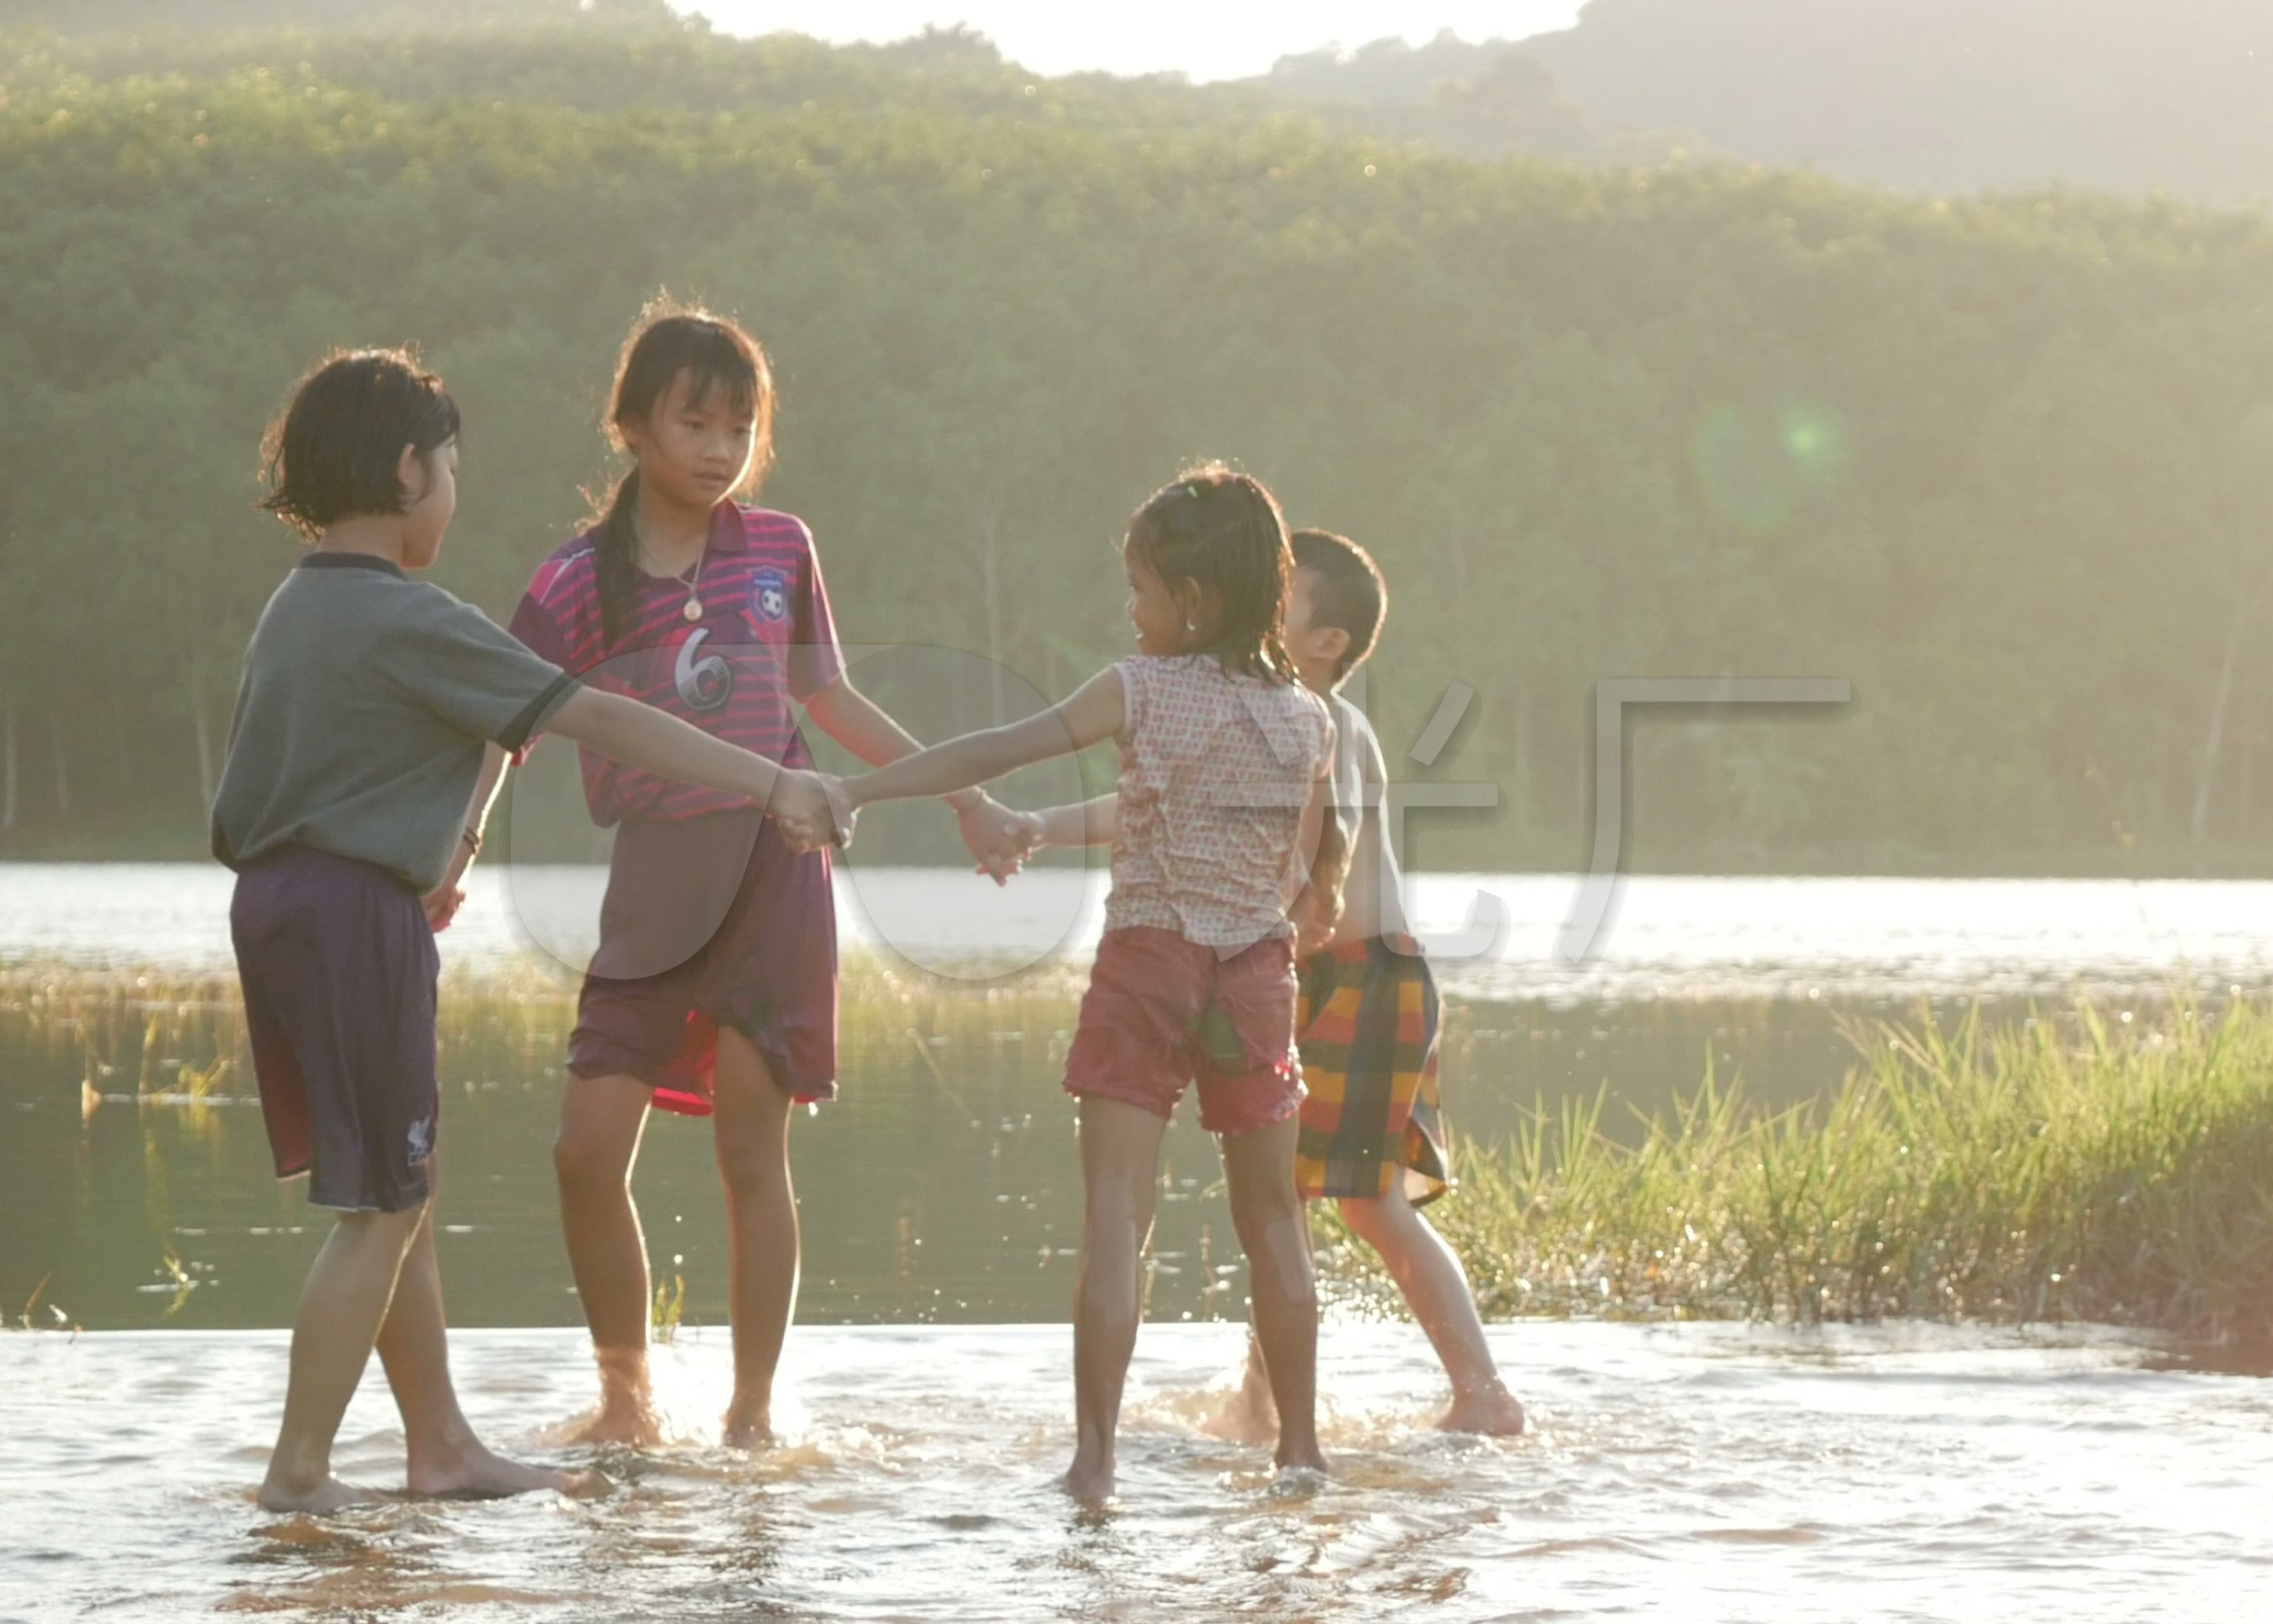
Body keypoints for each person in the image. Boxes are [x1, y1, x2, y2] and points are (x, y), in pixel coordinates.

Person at [214, 347, 843, 1514]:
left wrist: (441, 852)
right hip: (359, 913)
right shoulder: (412, 617)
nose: (454, 489)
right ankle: (297, 1475)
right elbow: (594, 712)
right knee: (382, 1211)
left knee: (400, 1187)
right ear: (408, 471)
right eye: (448, 465)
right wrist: (768, 782)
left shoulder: (295, 606)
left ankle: (439, 1443)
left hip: (278, 905)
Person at [440, 300, 1030, 1448]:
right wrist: (454, 852)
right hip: (657, 883)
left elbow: (832, 701)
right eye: (693, 420)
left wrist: (965, 796)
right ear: (632, 426)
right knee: (582, 1150)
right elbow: (505, 724)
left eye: (738, 424)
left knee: (751, 1144)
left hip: (775, 874)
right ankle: (627, 1401)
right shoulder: (570, 582)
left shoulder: (780, 549)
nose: (717, 447)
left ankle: (754, 1414)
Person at [823, 466, 1343, 1501]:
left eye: (1143, 590)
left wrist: (860, 785)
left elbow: (997, 748)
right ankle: (1302, 1452)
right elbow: (1291, 852)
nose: (1131, 609)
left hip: (1149, 959)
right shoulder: (1305, 721)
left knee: (1117, 1211)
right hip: (1253, 974)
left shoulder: (1136, 688)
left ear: (1193, 599)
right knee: (1274, 1218)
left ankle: (1096, 1461)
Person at [1017, 531, 1523, 1437]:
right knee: (1281, 1204)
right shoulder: (1262, 719)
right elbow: (1154, 809)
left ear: (1326, 642)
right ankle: (1267, 1403)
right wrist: (1041, 826)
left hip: (1364, 979)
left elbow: (1329, 850)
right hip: (1312, 977)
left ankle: (1481, 1391)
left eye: (1283, 602)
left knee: (1365, 1205)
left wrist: (1274, 915)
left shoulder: (1329, 724)